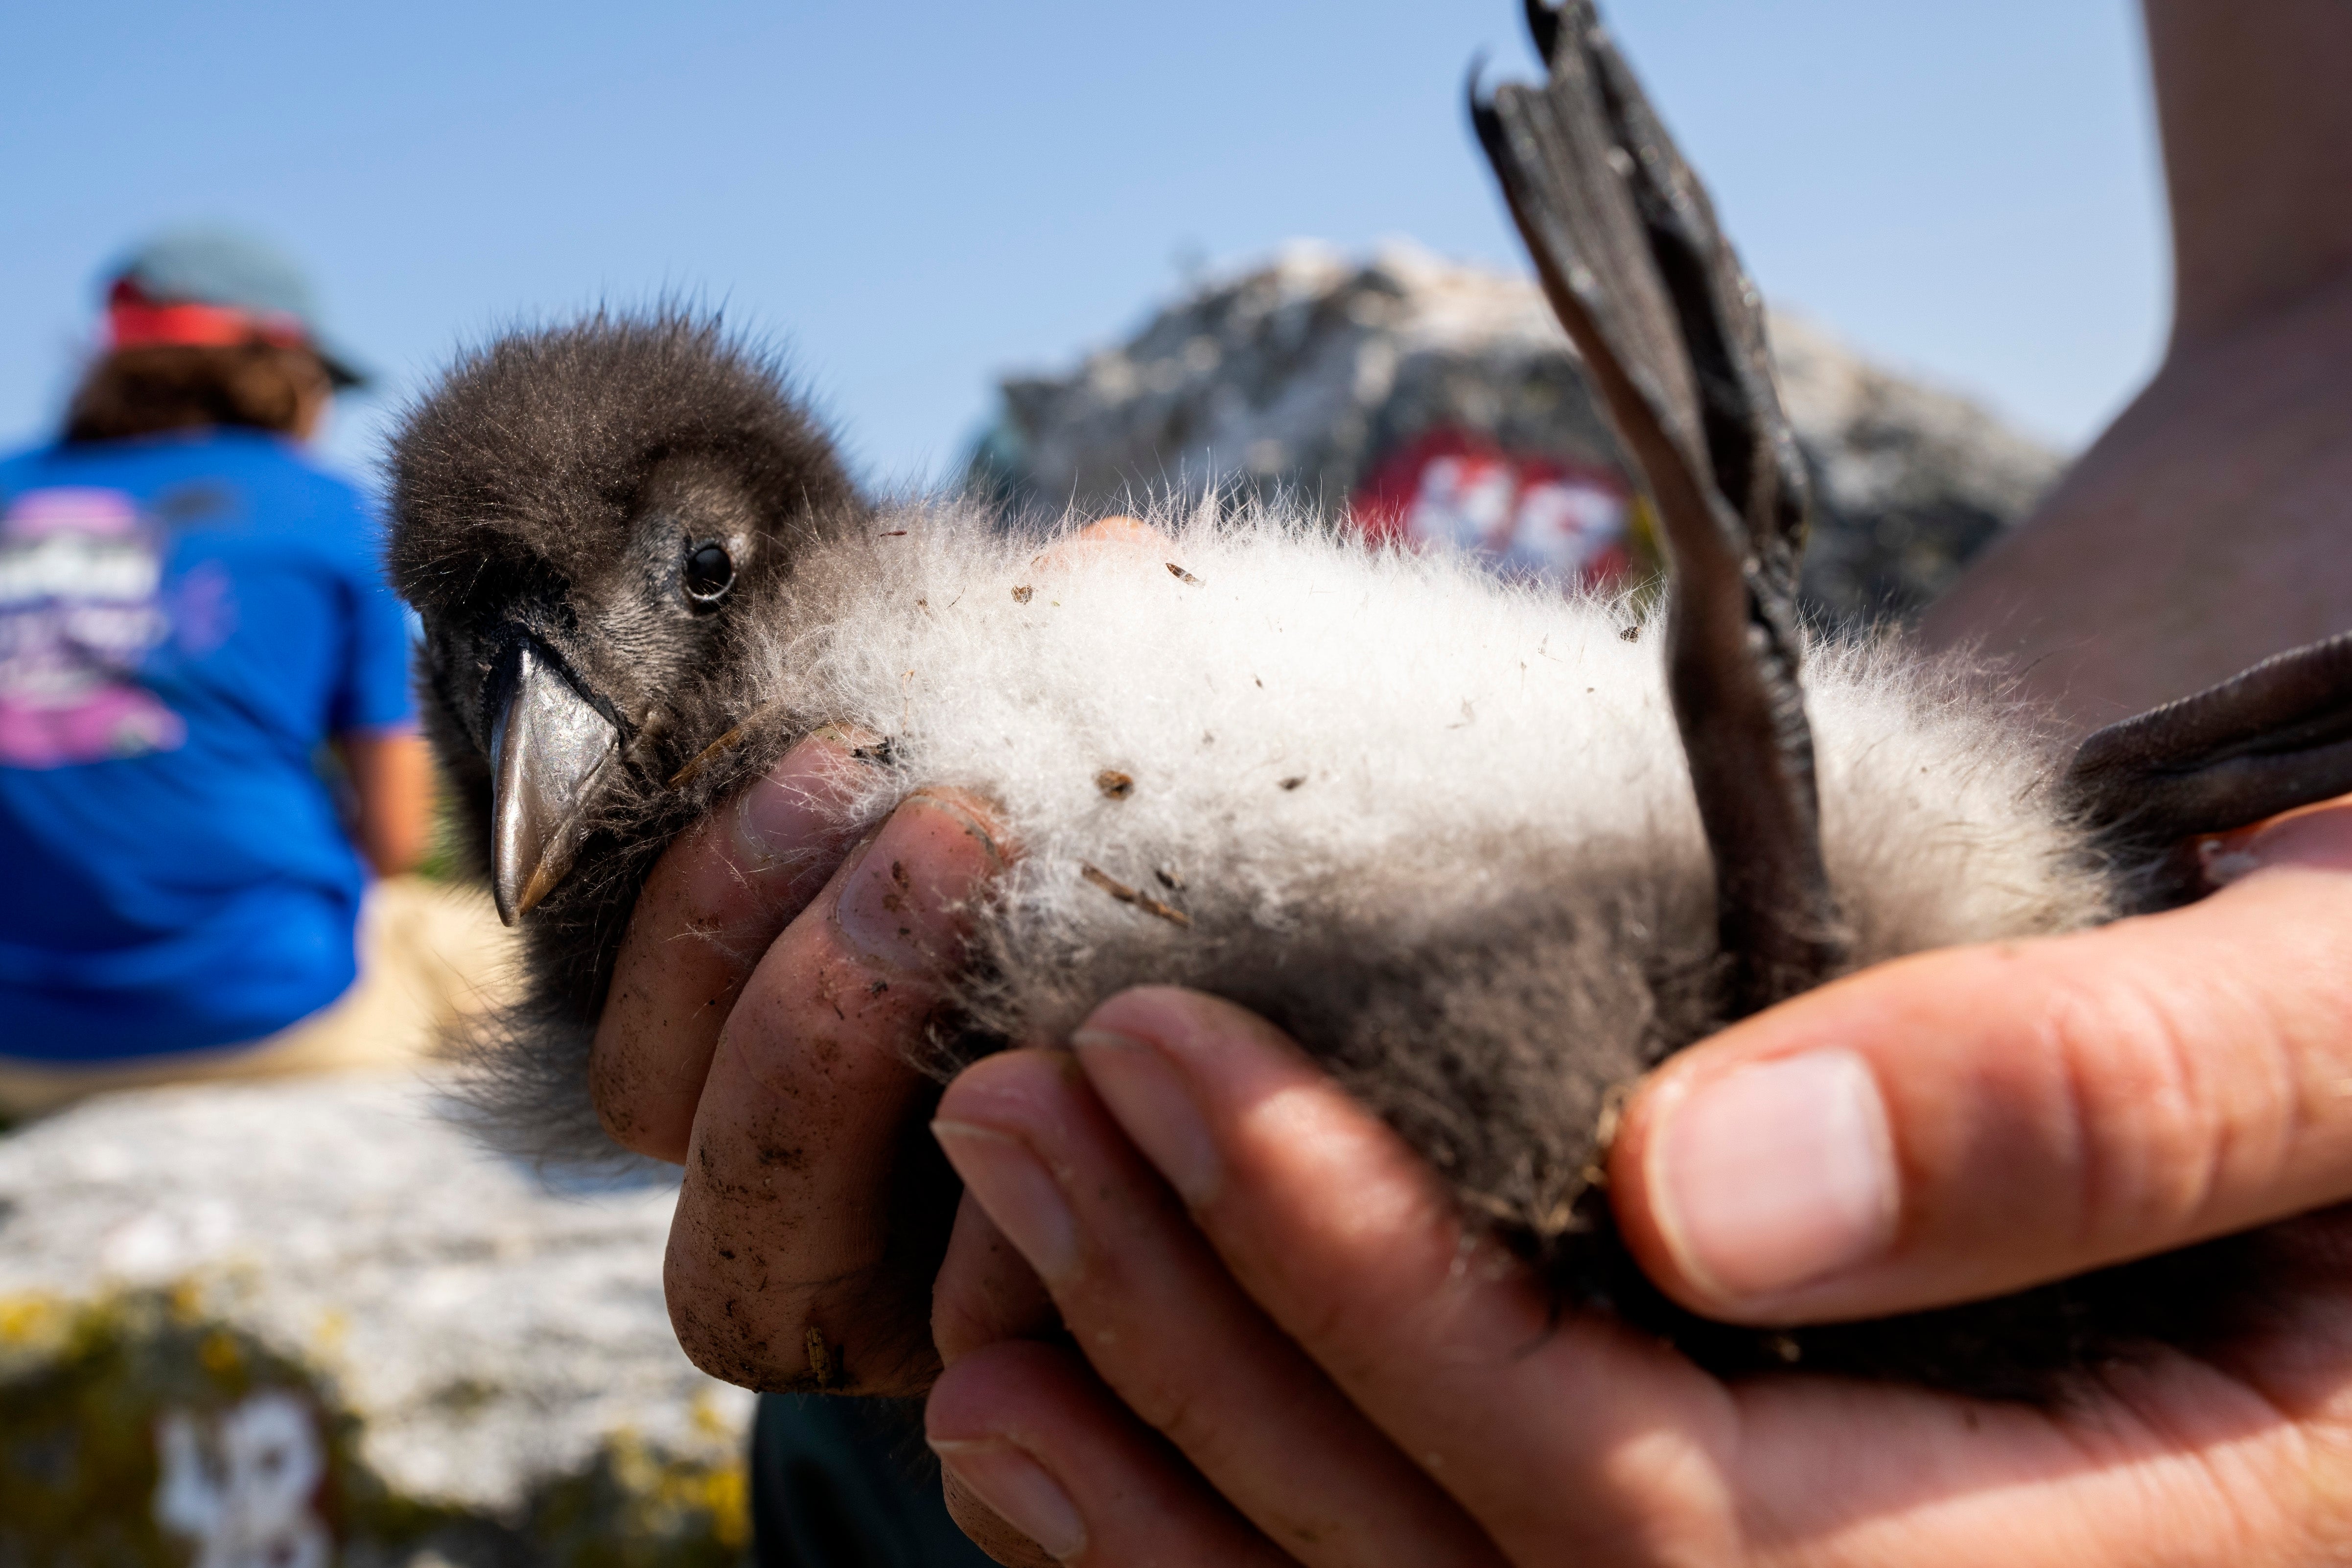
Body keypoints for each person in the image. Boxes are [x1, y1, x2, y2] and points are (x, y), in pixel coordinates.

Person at [593, 0, 2352, 1562]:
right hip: (1884, 905)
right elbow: (2295, 290)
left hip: (1798, 1080)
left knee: (966, 1383)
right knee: (933, 1350)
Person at [0, 228, 499, 1120]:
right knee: (523, 956)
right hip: (269, 1013)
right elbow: (393, 829)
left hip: (19, 1039)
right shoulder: (328, 512)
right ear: (278, 369)